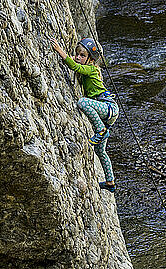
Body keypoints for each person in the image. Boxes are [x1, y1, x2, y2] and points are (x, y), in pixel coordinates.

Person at [50, 37, 119, 193]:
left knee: (82, 103)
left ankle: (101, 130)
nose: (79, 57)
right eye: (78, 54)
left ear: (90, 59)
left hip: (108, 107)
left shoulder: (92, 69)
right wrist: (75, 57)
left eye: (83, 55)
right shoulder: (90, 67)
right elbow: (78, 64)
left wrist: (60, 51)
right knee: (100, 150)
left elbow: (76, 67)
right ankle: (110, 182)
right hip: (106, 112)